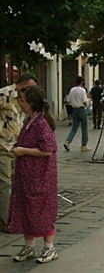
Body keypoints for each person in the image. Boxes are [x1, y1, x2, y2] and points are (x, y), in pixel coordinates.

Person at [7, 85, 59, 263]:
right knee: (26, 208)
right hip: (27, 175)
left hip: (41, 176)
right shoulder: (28, 121)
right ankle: (28, 246)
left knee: (42, 209)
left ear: (32, 103)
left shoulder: (42, 124)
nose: (20, 104)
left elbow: (47, 150)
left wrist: (23, 150)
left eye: (23, 101)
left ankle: (49, 247)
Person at [0, 73, 37, 232]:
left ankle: (17, 218)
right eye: (29, 87)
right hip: (3, 145)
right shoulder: (4, 94)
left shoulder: (27, 99)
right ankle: (4, 221)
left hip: (20, 146)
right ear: (20, 85)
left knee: (18, 183)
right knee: (5, 183)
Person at [63, 76, 91, 152]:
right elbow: (85, 102)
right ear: (82, 82)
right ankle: (84, 145)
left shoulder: (72, 90)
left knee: (74, 128)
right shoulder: (82, 90)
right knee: (84, 128)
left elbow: (68, 100)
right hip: (81, 109)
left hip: (74, 110)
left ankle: (67, 141)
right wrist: (86, 105)